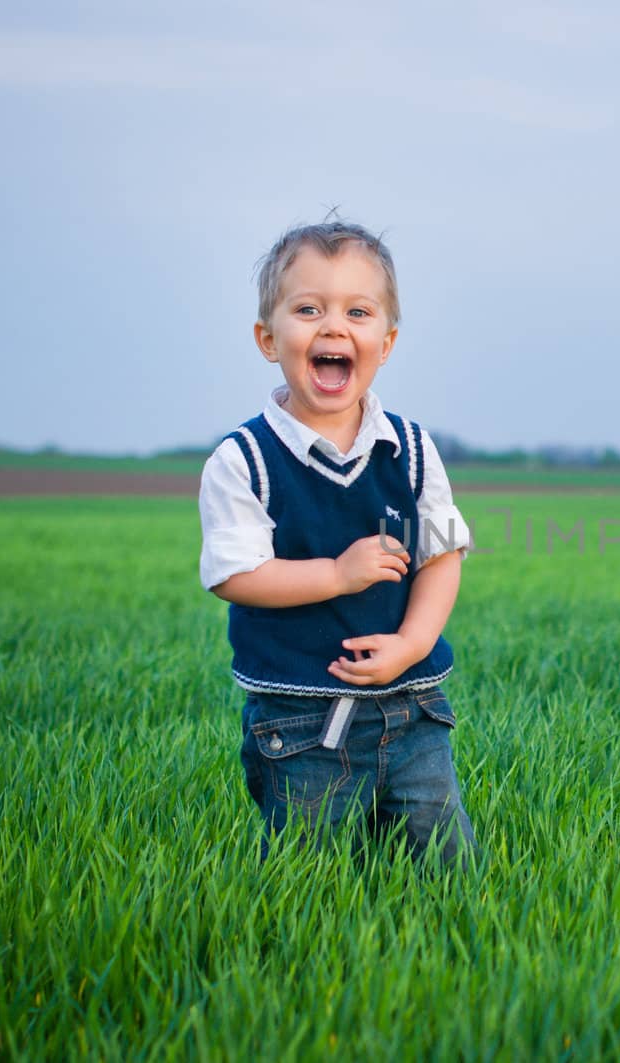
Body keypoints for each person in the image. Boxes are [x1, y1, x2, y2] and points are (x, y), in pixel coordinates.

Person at [198, 216, 475, 866]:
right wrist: (337, 574)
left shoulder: (408, 450)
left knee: (443, 866)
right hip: (299, 719)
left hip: (413, 707)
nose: (333, 326)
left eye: (358, 310)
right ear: (269, 338)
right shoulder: (245, 461)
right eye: (308, 308)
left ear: (387, 340)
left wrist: (411, 643)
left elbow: (440, 555)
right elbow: (235, 574)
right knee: (305, 872)